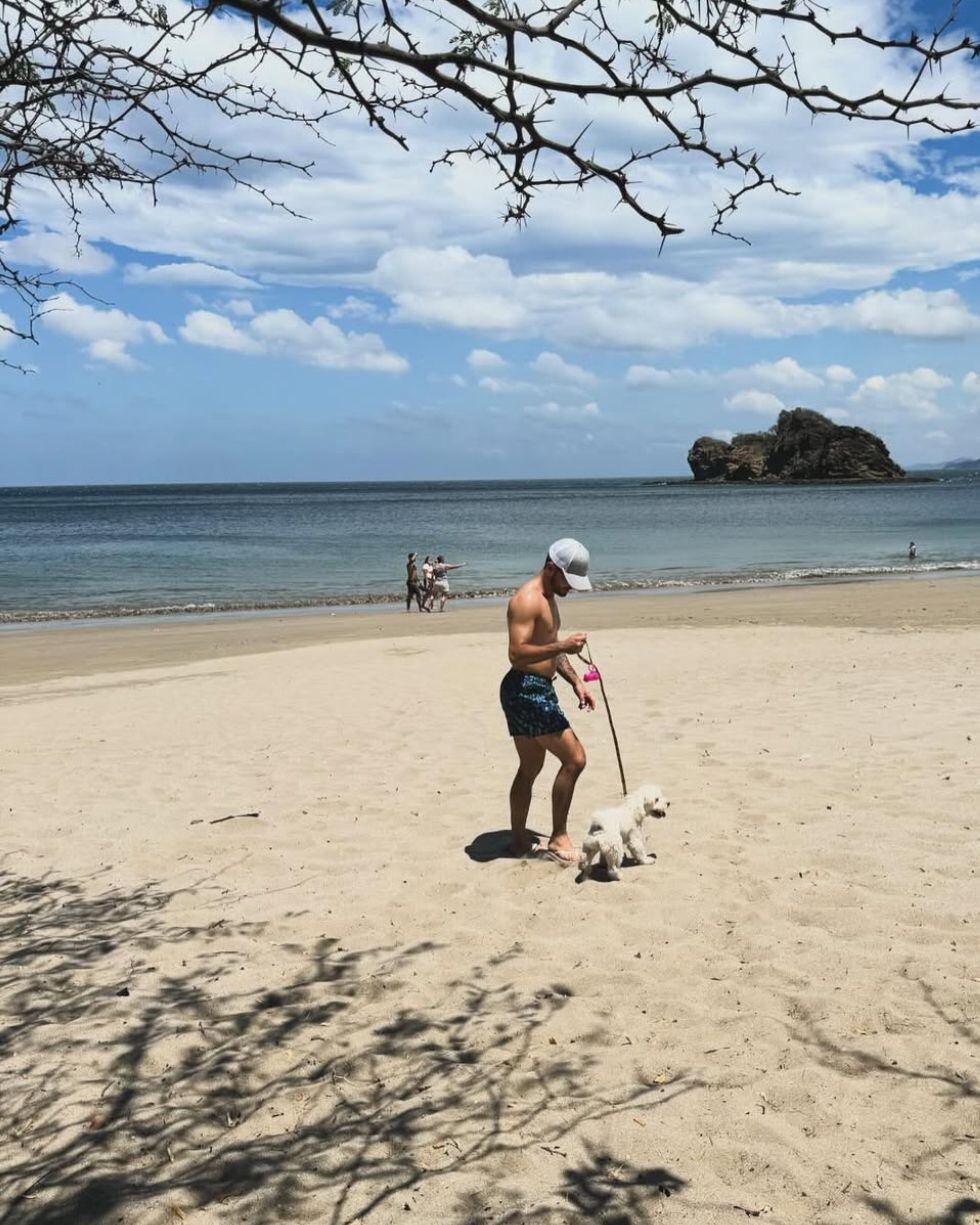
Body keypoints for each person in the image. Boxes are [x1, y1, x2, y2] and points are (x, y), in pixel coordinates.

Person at [499, 538, 596, 862]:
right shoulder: (527, 600)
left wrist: (576, 683)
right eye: (568, 580)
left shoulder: (550, 597)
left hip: (532, 687)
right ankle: (558, 837)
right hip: (525, 688)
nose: (570, 588)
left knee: (530, 766)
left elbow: (549, 647)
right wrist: (562, 646)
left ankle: (517, 842)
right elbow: (516, 653)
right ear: (552, 568)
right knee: (575, 759)